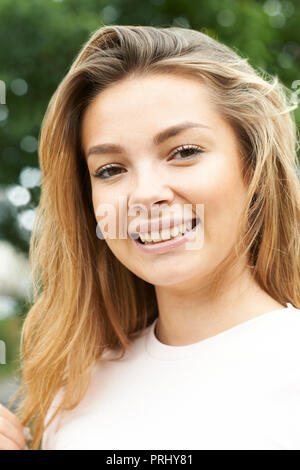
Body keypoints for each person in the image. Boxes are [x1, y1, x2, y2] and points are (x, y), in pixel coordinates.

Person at [1, 24, 300, 451]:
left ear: (251, 165)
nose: (144, 194)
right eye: (110, 169)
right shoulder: (75, 391)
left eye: (184, 152)